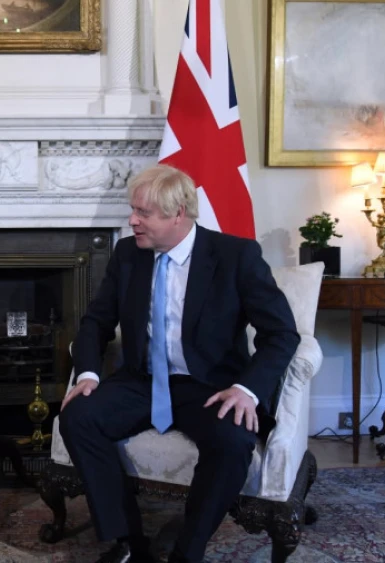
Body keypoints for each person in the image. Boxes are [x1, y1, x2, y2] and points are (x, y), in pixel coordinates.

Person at [59, 164, 300, 563]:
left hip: (209, 385)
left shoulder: (235, 256)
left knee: (233, 440)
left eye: (144, 213)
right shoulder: (127, 254)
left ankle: (188, 549)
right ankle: (128, 543)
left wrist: (246, 389)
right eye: (132, 210)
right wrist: (87, 374)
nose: (132, 221)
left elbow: (282, 334)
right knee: (79, 416)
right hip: (141, 379)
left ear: (178, 214)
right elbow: (96, 321)